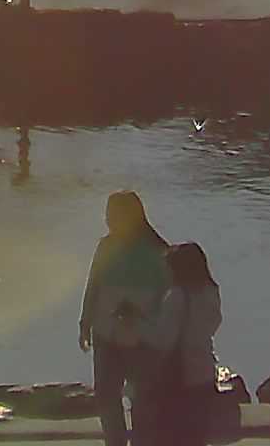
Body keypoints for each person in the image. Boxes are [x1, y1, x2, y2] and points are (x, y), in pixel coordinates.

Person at [81, 190, 173, 446]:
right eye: (108, 214)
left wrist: (141, 314)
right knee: (106, 394)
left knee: (141, 396)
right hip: (105, 332)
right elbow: (93, 285)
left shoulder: (158, 250)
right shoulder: (105, 246)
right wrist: (84, 322)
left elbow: (169, 297)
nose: (109, 220)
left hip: (142, 336)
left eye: (115, 215)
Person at [147, 242, 223, 446]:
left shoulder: (177, 296)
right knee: (198, 435)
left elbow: (164, 339)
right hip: (204, 371)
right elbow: (213, 325)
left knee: (172, 434)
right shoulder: (211, 291)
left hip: (179, 376)